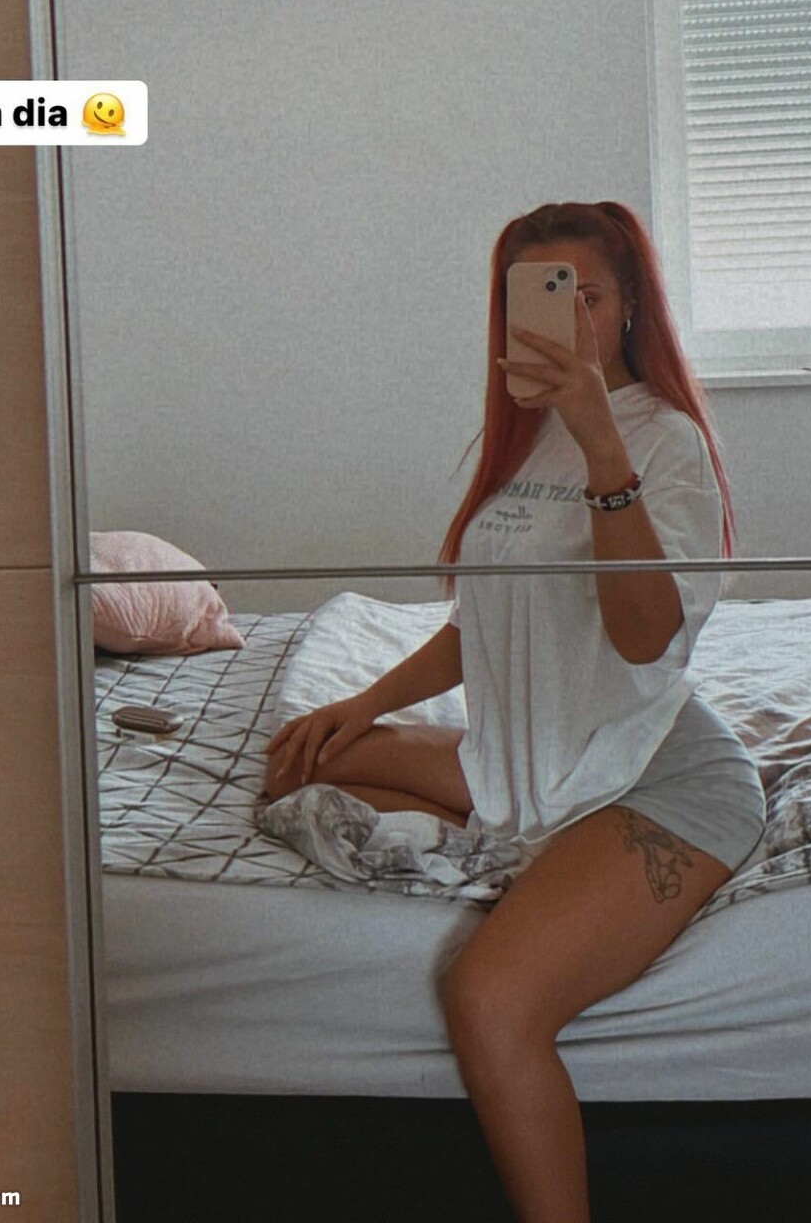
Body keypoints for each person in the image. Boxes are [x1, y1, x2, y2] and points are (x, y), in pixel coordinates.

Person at [264, 199, 767, 1223]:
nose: (567, 320)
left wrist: (601, 446)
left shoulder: (663, 443)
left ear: (630, 309)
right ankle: (530, 845)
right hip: (535, 755)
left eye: (589, 297)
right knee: (306, 757)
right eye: (541, 299)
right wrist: (362, 702)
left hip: (655, 777)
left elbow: (644, 638)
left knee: (489, 1001)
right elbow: (485, 625)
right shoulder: (525, 443)